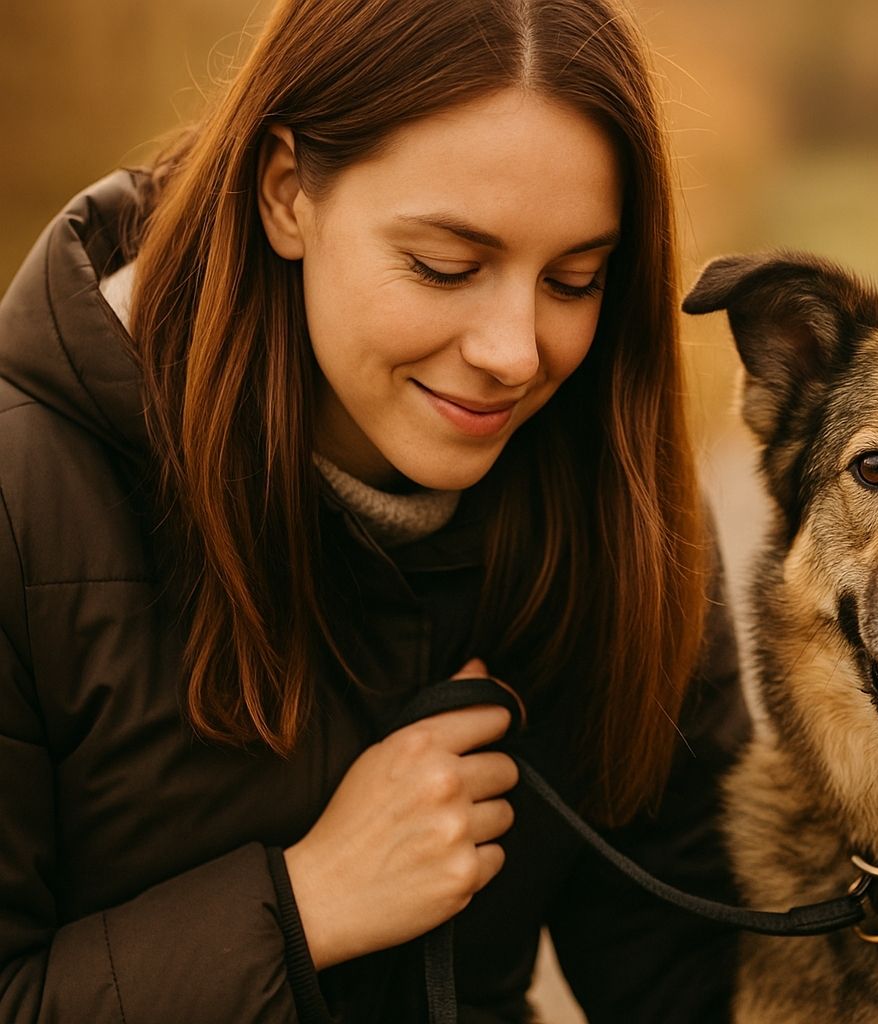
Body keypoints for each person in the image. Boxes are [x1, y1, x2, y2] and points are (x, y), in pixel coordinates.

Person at [0, 0, 749, 1020]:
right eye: (447, 267)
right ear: (286, 193)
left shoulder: (615, 498)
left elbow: (700, 976)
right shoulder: (23, 504)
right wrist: (308, 904)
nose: (515, 353)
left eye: (573, 281)